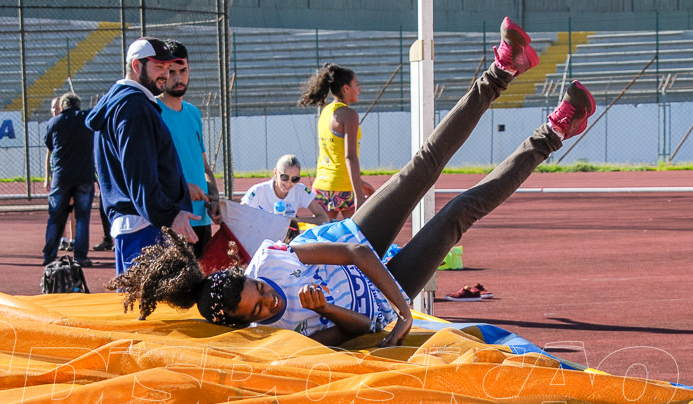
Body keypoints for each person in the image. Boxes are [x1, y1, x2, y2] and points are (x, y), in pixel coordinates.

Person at [110, 18, 594, 350]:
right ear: (250, 324)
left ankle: (502, 69)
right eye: (259, 309)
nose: (269, 299)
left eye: (259, 290)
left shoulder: (268, 261)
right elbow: (359, 331)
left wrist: (406, 310)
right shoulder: (288, 335)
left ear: (253, 274)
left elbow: (356, 254)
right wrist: (340, 312)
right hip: (383, 294)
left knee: (420, 168)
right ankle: (556, 130)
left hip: (356, 244)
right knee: (457, 212)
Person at [86, 37, 197, 274]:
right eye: (158, 67)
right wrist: (169, 215)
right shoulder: (133, 107)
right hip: (145, 226)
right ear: (136, 66)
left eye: (168, 68)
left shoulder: (122, 102)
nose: (165, 74)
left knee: (145, 303)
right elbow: (140, 174)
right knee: (148, 305)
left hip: (139, 223)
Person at [158, 39, 221, 256]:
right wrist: (183, 187)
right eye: (171, 71)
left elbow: (203, 165)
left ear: (189, 69)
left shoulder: (193, 113)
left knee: (203, 285)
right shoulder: (152, 111)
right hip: (173, 219)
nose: (178, 78)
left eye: (182, 70)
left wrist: (214, 197)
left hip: (201, 218)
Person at [299, 63, 374, 220]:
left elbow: (335, 156)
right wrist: (359, 196)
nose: (359, 90)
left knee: (324, 240)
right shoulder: (349, 115)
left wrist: (361, 183)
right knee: (356, 238)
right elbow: (350, 157)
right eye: (356, 85)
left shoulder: (326, 112)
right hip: (344, 187)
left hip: (322, 187)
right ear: (346, 88)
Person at [43, 92, 95, 267]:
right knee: (82, 217)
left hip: (61, 175)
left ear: (63, 106)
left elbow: (49, 144)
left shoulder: (54, 122)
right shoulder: (87, 118)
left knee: (56, 216)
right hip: (84, 175)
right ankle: (80, 255)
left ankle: (49, 254)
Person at [241, 154, 328, 230]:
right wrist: (264, 220)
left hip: (287, 238)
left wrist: (292, 221)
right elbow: (239, 215)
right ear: (275, 173)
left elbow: (323, 219)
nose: (288, 183)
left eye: (295, 179)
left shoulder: (300, 190)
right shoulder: (258, 191)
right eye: (284, 177)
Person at [45, 96, 76, 252]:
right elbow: (48, 153)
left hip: (69, 172)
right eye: (52, 108)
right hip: (56, 172)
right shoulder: (52, 126)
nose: (54, 110)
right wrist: (46, 177)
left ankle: (73, 239)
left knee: (72, 208)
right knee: (59, 208)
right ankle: (62, 238)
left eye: (57, 107)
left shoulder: (68, 124)